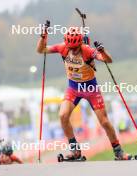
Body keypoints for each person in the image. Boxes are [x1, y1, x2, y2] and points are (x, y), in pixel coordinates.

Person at [36, 26, 131, 160]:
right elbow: (41, 50)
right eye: (70, 47)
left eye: (75, 48)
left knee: (104, 122)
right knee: (63, 115)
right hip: (73, 88)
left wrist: (102, 51)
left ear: (80, 43)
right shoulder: (63, 47)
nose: (73, 51)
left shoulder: (87, 50)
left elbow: (108, 60)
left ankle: (118, 151)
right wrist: (42, 37)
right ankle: (75, 150)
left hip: (90, 88)